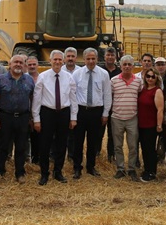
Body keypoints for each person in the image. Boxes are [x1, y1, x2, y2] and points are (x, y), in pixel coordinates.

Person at [32, 50, 77, 185]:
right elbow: (37, 99)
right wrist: (36, 119)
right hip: (47, 113)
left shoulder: (69, 77)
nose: (57, 62)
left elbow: (73, 98)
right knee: (45, 144)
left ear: (62, 61)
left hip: (64, 113)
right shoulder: (43, 76)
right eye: (55, 60)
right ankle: (44, 174)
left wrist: (73, 117)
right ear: (50, 61)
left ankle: (58, 172)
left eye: (59, 60)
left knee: (62, 144)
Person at [0, 54, 36, 183]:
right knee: (3, 145)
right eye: (15, 62)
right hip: (5, 116)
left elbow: (32, 99)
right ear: (10, 65)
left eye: (21, 63)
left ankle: (20, 173)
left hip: (23, 117)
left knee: (21, 146)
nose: (18, 64)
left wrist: (32, 117)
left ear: (24, 66)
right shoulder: (1, 79)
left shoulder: (29, 80)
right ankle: (0, 171)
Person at [72, 48, 111, 179]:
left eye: (93, 58)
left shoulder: (104, 74)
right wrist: (73, 115)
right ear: (84, 59)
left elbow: (107, 94)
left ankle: (91, 166)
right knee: (78, 141)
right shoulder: (77, 74)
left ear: (97, 59)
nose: (91, 61)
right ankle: (77, 167)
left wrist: (105, 113)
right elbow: (72, 95)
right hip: (80, 111)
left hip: (96, 112)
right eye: (88, 59)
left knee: (93, 141)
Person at [109, 55, 142, 180]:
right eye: (125, 64)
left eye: (129, 64)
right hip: (117, 117)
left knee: (133, 145)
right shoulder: (113, 81)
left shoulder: (139, 82)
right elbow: (110, 97)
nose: (127, 67)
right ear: (120, 66)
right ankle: (120, 168)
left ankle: (132, 169)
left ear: (133, 66)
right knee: (117, 146)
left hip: (132, 118)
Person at [137, 68, 164, 182]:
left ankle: (152, 172)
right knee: (144, 148)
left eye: (153, 76)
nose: (150, 78)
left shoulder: (157, 91)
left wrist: (159, 125)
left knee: (150, 149)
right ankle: (146, 169)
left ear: (157, 78)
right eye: (148, 76)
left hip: (151, 125)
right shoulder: (143, 89)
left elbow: (160, 109)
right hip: (141, 124)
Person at [101, 47, 121, 162]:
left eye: (112, 55)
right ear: (104, 57)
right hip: (101, 107)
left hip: (115, 107)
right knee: (99, 133)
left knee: (113, 134)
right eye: (108, 55)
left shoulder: (120, 72)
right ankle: (97, 153)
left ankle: (111, 156)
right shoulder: (99, 70)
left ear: (115, 57)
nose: (110, 57)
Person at [26, 56, 41, 164]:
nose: (32, 66)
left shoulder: (43, 78)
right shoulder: (23, 78)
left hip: (41, 113)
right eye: (29, 64)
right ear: (26, 65)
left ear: (37, 65)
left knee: (38, 137)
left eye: (34, 64)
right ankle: (26, 159)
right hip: (26, 113)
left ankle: (37, 160)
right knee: (25, 138)